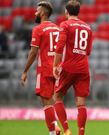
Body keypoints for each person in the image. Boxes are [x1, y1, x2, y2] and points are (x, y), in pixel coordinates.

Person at [20, 1, 61, 135]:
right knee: (51, 101)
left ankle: (53, 132)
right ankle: (56, 127)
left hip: (44, 69)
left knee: (46, 102)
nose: (35, 13)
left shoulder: (38, 29)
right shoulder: (57, 28)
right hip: (57, 69)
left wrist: (25, 71)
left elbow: (33, 52)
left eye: (37, 11)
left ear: (43, 12)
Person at [53, 1, 92, 135]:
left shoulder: (65, 24)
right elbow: (88, 51)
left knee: (57, 96)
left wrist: (55, 66)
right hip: (83, 68)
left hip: (68, 66)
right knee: (81, 104)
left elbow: (59, 47)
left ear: (66, 12)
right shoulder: (87, 27)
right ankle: (81, 132)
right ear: (78, 11)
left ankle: (67, 130)